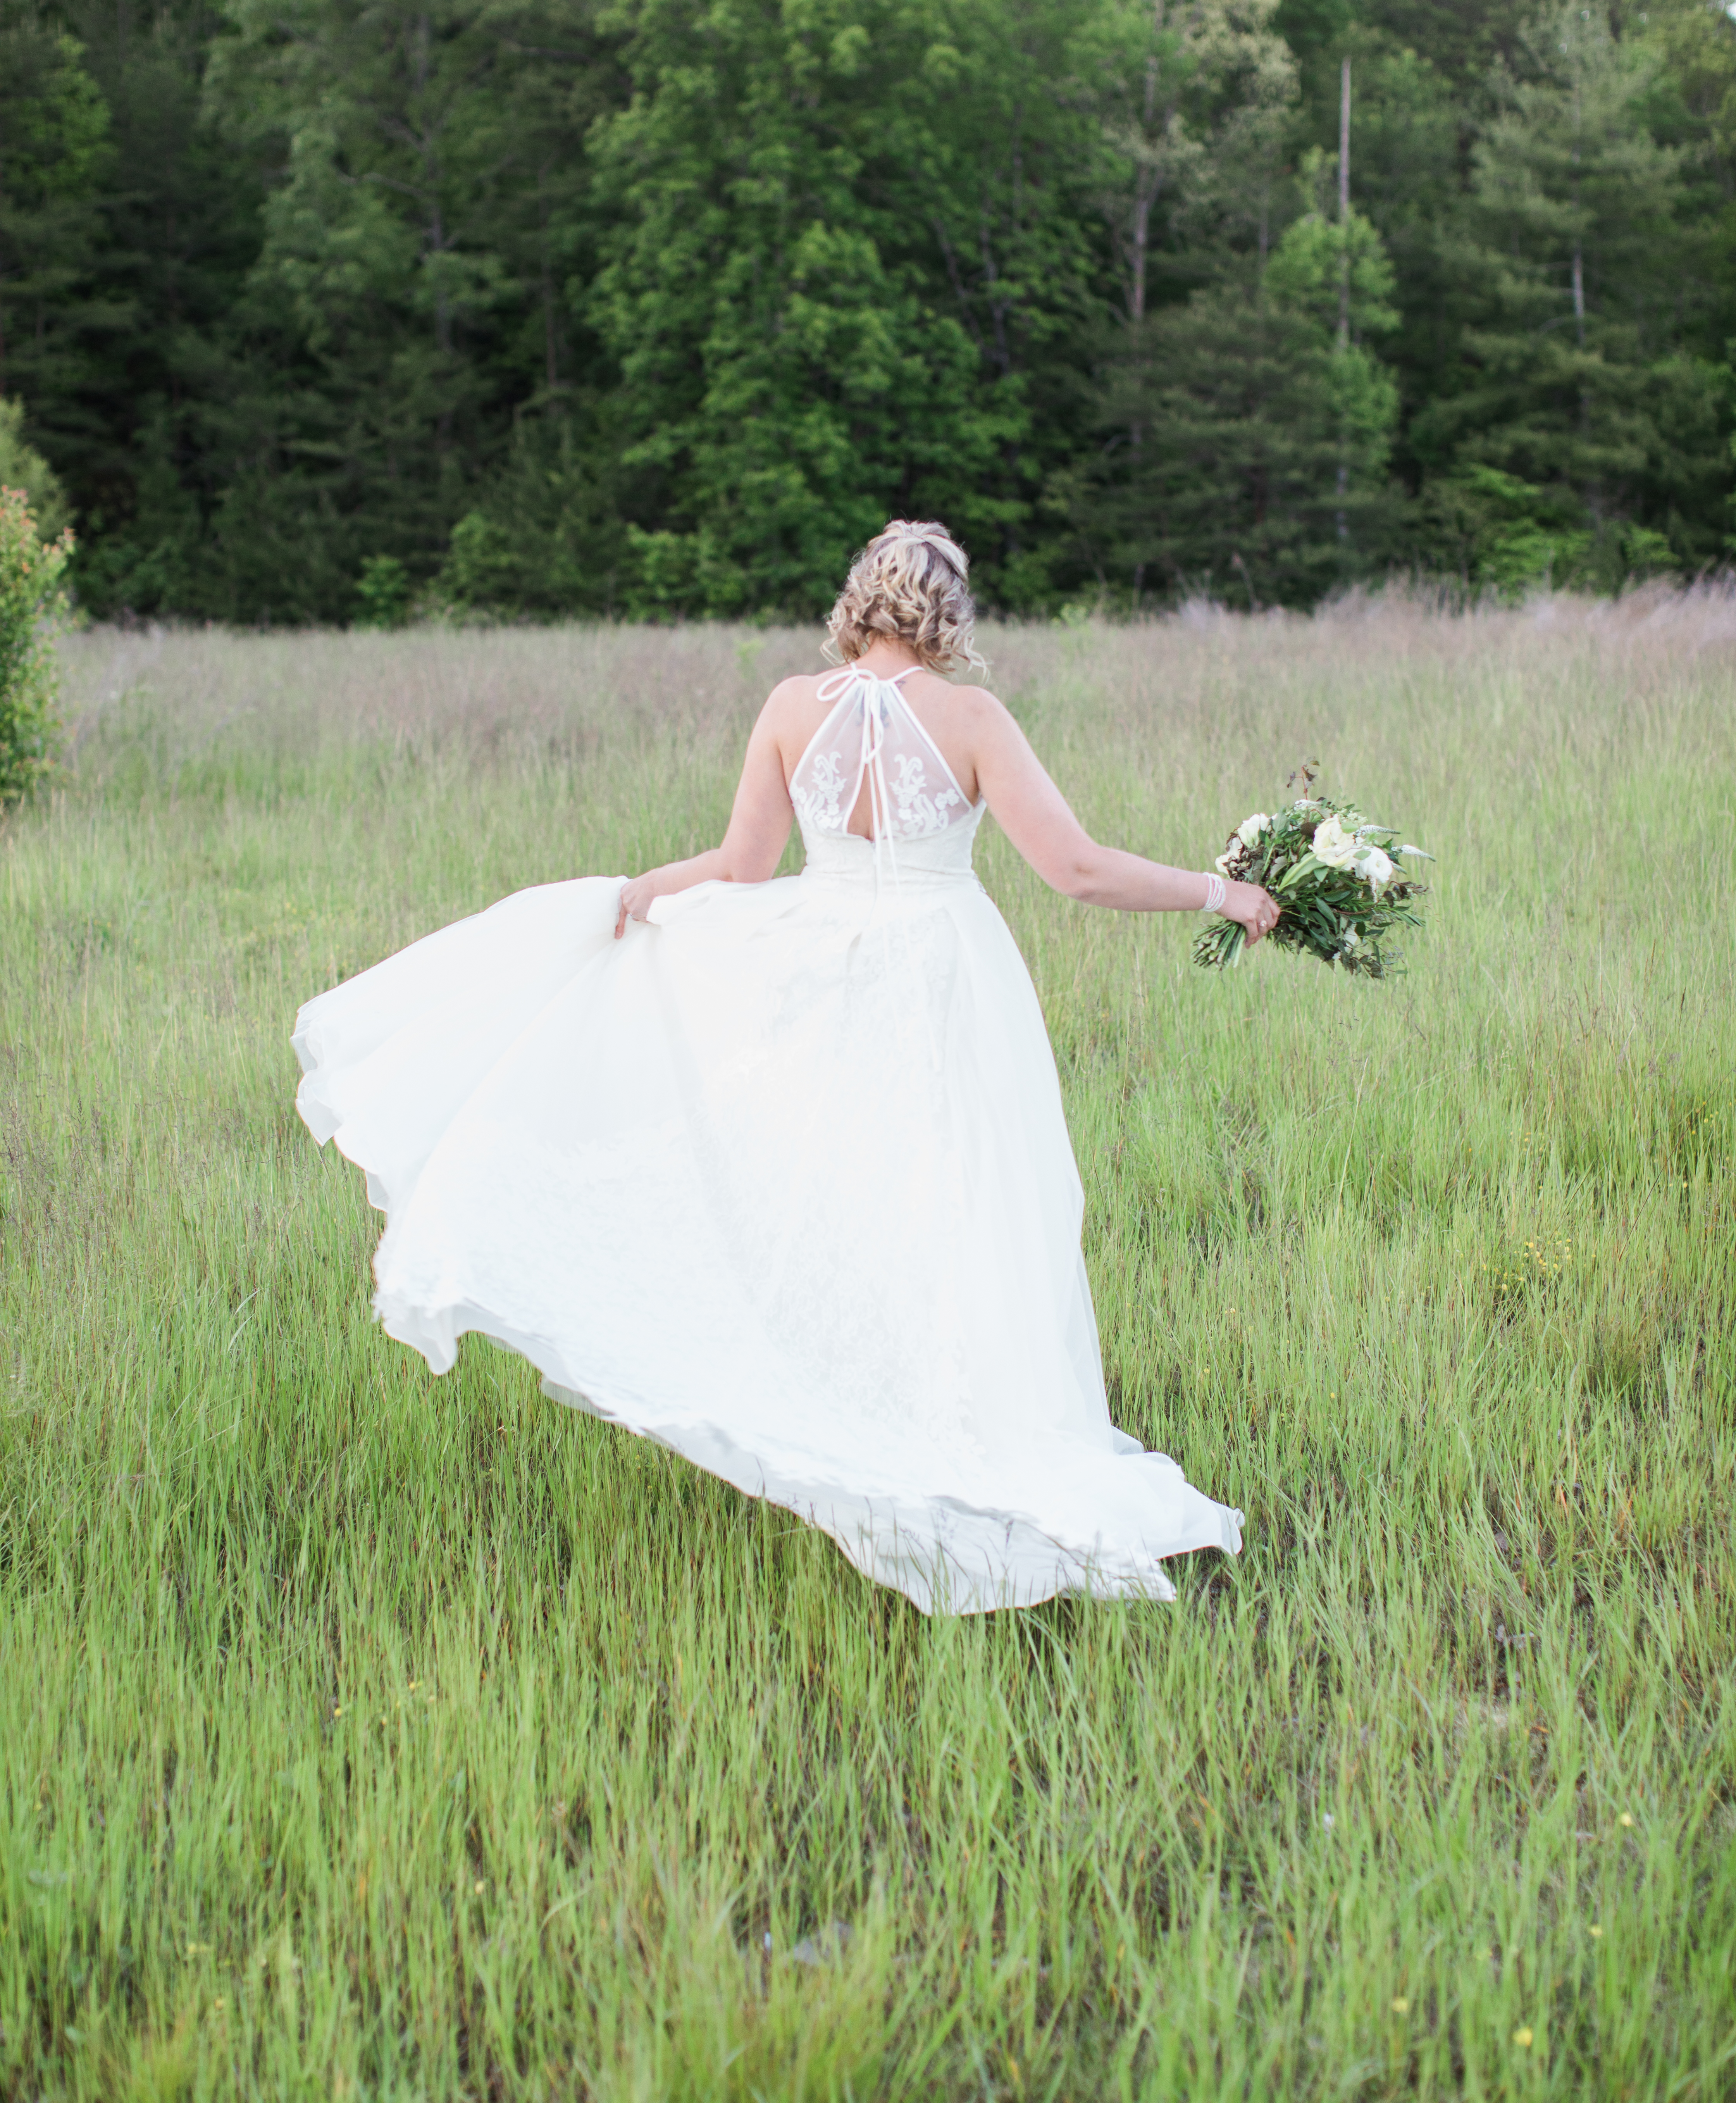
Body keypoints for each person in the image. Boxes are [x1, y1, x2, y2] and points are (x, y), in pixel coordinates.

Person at [293, 521, 1277, 1612]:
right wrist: (1220, 892)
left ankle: (865, 1417)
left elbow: (741, 867)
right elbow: (1079, 871)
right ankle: (958, 1428)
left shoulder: (787, 709)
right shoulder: (971, 718)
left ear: (858, 602)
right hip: (944, 980)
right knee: (957, 1204)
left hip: (825, 973)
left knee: (840, 1203)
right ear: (949, 615)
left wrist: (644, 892)